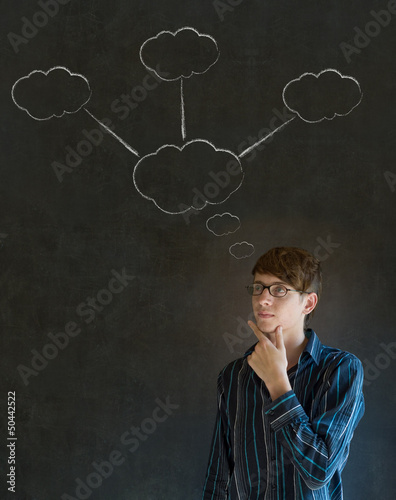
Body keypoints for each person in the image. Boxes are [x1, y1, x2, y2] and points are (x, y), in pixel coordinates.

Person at [202, 247, 365, 499]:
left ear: (308, 303)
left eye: (279, 289)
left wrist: (278, 383)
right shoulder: (233, 375)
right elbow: (219, 475)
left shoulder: (340, 369)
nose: (262, 299)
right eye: (258, 287)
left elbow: (318, 472)